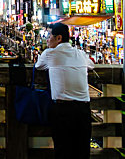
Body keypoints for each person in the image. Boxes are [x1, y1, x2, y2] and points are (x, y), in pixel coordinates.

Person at [35, 23, 94, 159]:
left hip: (63, 109)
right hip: (83, 109)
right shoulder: (80, 53)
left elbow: (38, 66)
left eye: (50, 36)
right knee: (82, 150)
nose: (47, 39)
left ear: (59, 38)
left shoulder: (50, 54)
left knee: (63, 150)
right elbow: (91, 65)